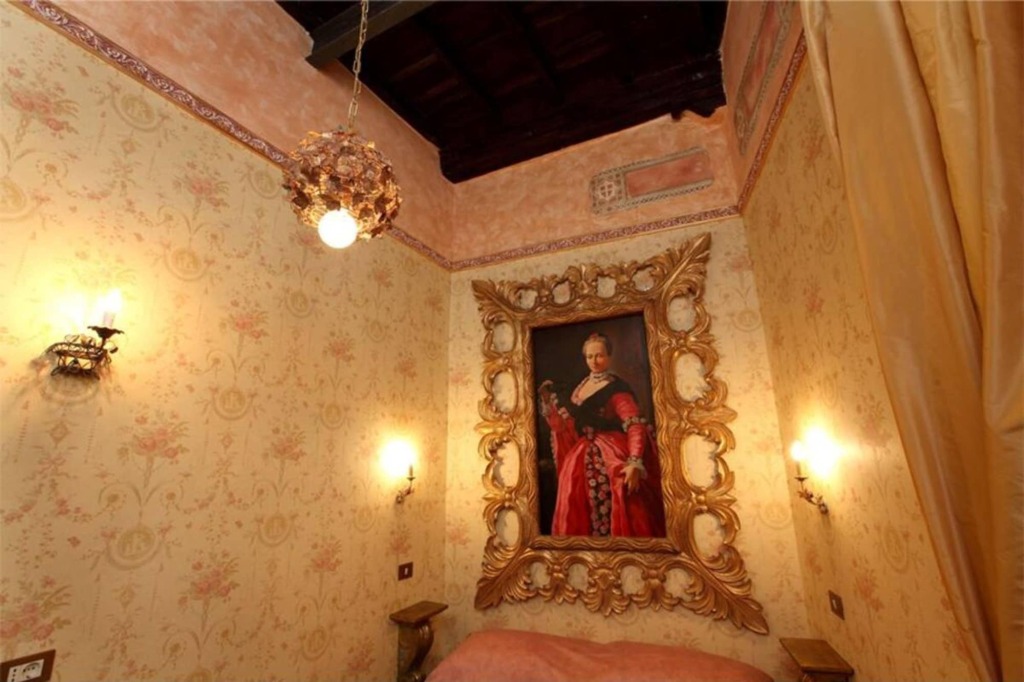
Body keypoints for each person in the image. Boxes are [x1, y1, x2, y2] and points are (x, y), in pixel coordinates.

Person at [538, 332, 666, 537]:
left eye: (599, 355)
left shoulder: (617, 388)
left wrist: (634, 461)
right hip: (580, 454)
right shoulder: (580, 387)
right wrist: (547, 404)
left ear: (609, 356)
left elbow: (634, 425)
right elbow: (564, 427)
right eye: (590, 356)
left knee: (620, 497)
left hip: (611, 450)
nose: (594, 361)